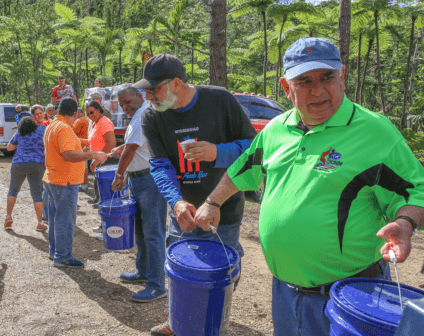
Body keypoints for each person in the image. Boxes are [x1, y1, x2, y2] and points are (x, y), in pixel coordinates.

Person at [193, 37, 424, 336]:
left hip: (349, 296)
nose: (318, 90)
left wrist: (405, 223)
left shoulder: (376, 132)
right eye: (304, 81)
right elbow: (243, 171)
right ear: (287, 88)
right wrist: (213, 202)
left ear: (341, 77)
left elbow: (416, 189)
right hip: (285, 293)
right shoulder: (276, 130)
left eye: (326, 77)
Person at [134, 54, 256, 336]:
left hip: (224, 210)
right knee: (179, 273)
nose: (148, 96)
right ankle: (179, 324)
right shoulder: (152, 115)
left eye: (153, 89)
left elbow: (255, 148)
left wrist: (218, 152)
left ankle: (213, 326)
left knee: (219, 275)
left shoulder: (220, 100)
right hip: (183, 215)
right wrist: (175, 203)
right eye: (146, 90)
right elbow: (160, 165)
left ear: (176, 83)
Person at [109, 85, 168, 302]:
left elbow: (131, 149)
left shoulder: (143, 114)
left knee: (154, 235)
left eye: (128, 101)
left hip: (150, 181)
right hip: (138, 180)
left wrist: (118, 174)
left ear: (139, 96)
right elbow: (133, 147)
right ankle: (143, 272)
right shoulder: (136, 117)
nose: (125, 107)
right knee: (141, 232)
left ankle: (156, 285)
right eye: (121, 104)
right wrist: (122, 154)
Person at [43, 97, 107, 268]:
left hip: (54, 178)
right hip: (65, 181)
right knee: (65, 220)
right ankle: (63, 256)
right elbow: (68, 154)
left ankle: (55, 251)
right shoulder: (64, 128)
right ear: (73, 114)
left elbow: (67, 148)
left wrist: (85, 147)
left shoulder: (53, 125)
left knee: (56, 218)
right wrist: (92, 154)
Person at [4, 116, 48, 232]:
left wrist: (22, 145)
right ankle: (39, 223)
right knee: (37, 194)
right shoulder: (43, 129)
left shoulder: (19, 132)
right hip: (37, 164)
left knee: (13, 190)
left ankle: (8, 216)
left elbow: (9, 147)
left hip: (18, 163)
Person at [83, 100, 117, 239]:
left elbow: (111, 143)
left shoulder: (104, 122)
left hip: (107, 165)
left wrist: (96, 160)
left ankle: (109, 230)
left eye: (92, 112)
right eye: (88, 114)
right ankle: (104, 225)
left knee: (109, 199)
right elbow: (94, 142)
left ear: (99, 110)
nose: (90, 115)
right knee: (103, 198)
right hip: (101, 166)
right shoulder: (96, 124)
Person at [72, 108, 90, 191]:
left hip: (81, 146)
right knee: (85, 166)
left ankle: (83, 185)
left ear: (78, 113)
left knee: (83, 166)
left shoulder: (79, 121)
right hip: (87, 145)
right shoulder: (88, 120)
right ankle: (83, 184)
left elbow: (72, 133)